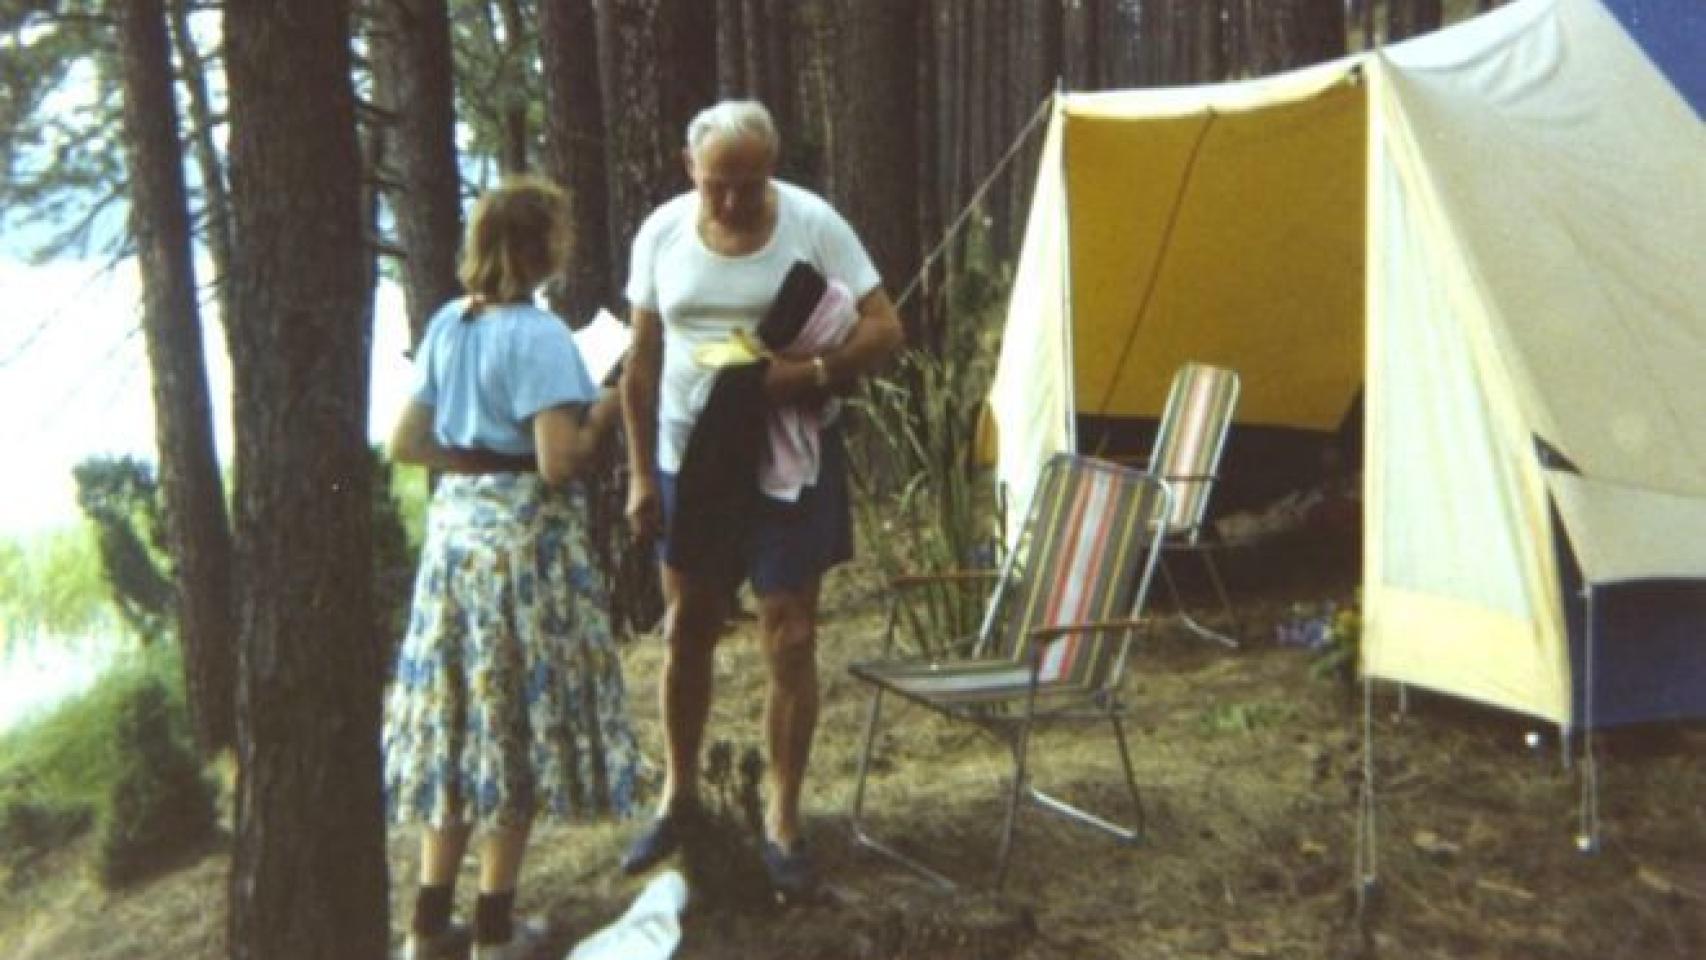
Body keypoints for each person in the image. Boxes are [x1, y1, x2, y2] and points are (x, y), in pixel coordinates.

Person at [617, 100, 904, 894]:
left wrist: (809, 377)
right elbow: (640, 366)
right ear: (690, 169)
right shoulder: (663, 233)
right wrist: (641, 474)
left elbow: (887, 329)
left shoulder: (814, 224)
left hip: (788, 459)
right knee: (689, 628)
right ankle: (679, 796)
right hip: (691, 459)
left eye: (751, 183)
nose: (736, 201)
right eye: (718, 185)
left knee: (791, 636)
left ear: (771, 169)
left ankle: (783, 815)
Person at [384, 175, 640, 960]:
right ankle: (495, 930)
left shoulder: (449, 323)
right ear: (539, 249)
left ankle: (428, 925)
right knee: (512, 733)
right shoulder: (538, 335)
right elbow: (559, 464)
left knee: (462, 725)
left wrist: (476, 456)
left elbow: (406, 442)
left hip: (456, 542)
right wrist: (603, 402)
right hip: (523, 556)